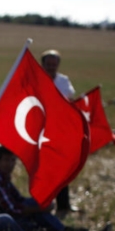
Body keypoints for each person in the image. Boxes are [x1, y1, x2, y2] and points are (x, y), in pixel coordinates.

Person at [0, 146, 112, 231]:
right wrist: (40, 208)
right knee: (34, 222)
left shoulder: (2, 177)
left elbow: (19, 200)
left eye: (13, 161)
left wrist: (40, 204)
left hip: (2, 217)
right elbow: (13, 209)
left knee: (37, 209)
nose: (10, 164)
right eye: (7, 160)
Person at [41, 49, 77, 215]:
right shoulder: (37, 79)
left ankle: (63, 205)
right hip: (40, 131)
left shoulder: (64, 81)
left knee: (62, 168)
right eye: (48, 64)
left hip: (60, 130)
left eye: (54, 64)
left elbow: (70, 98)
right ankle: (43, 204)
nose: (51, 67)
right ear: (43, 64)